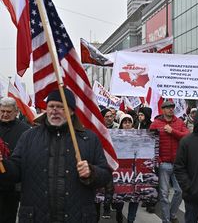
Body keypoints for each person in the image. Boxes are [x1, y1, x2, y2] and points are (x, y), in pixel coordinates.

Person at [0, 88, 112, 223]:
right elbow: (15, 171)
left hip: (77, 217)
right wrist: (3, 165)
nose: (54, 110)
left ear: (71, 111)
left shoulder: (88, 138)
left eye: (60, 107)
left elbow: (105, 175)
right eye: (51, 106)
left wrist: (92, 172)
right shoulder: (29, 137)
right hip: (36, 217)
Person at [149, 100, 189, 223]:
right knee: (164, 195)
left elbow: (187, 137)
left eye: (172, 107)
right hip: (163, 164)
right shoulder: (155, 124)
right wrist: (159, 160)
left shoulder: (179, 122)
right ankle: (166, 220)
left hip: (178, 164)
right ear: (163, 109)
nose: (171, 109)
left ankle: (172, 214)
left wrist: (173, 131)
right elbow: (150, 143)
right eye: (168, 107)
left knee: (180, 191)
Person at [0, 97, 30, 223]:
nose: (5, 114)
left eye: (8, 112)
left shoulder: (25, 131)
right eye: (2, 111)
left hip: (11, 185)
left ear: (16, 112)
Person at [115, 114, 139, 223]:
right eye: (125, 122)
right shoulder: (115, 136)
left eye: (129, 122)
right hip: (121, 170)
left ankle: (131, 220)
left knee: (135, 197)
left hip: (134, 170)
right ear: (121, 124)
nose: (127, 124)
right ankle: (119, 213)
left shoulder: (139, 136)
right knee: (119, 197)